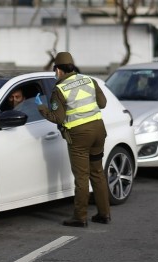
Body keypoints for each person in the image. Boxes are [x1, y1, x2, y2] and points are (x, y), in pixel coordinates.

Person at [35, 51, 110, 228]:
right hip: (98, 130)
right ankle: (104, 214)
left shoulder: (59, 89)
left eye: (55, 70)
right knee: (97, 173)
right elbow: (103, 103)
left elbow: (57, 118)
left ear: (59, 70)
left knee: (82, 177)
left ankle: (80, 217)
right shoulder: (89, 80)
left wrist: (41, 107)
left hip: (79, 136)